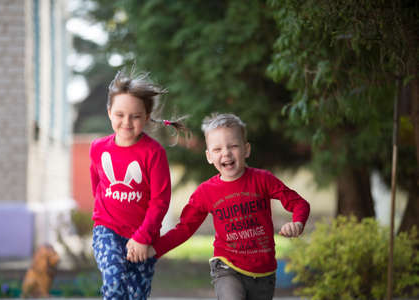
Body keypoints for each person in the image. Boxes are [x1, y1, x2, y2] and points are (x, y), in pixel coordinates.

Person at [144, 113, 310, 300]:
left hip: (264, 272)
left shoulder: (263, 180)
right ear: (208, 156)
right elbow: (184, 229)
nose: (226, 153)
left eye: (233, 146)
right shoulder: (205, 192)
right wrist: (155, 249)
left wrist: (298, 223)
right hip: (227, 267)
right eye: (217, 149)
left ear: (246, 149)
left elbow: (299, 203)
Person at [89, 69, 187, 300]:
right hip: (107, 231)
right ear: (109, 113)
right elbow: (98, 185)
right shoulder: (98, 148)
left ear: (146, 116)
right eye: (120, 114)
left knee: (136, 295)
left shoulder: (154, 153)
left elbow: (160, 201)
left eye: (135, 116)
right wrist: (104, 215)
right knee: (114, 286)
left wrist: (143, 237)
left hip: (143, 237)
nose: (127, 122)